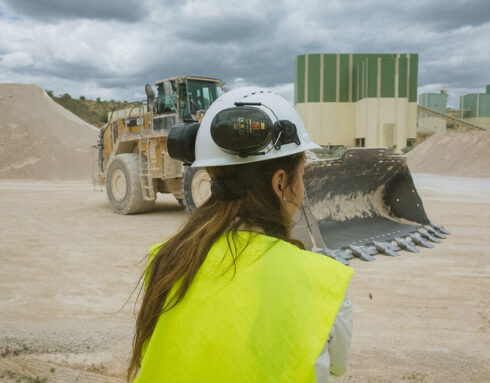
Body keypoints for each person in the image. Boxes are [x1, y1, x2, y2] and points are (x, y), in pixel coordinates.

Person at [127, 88, 354, 383]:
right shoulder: (325, 283)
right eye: (302, 176)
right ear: (281, 182)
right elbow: (335, 368)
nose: (302, 189)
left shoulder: (166, 260)